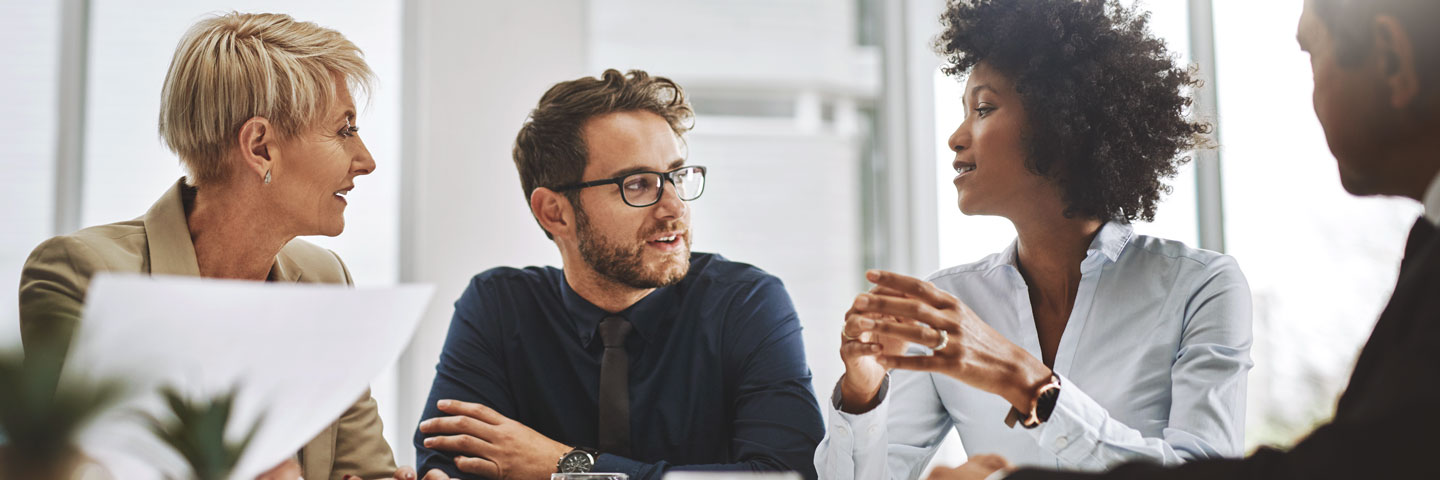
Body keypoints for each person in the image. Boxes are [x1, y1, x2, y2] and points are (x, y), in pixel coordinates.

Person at [927, 0, 1440, 479]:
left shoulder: (1199, 285)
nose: (956, 136)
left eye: (1312, 57)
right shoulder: (1427, 248)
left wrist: (1036, 393)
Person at [816, 0, 1253, 477]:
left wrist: (1027, 383)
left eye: (983, 108)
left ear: (1059, 126)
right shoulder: (951, 305)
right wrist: (862, 394)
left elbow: (1202, 472)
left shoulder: (1201, 287)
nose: (957, 137)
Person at [17, 12, 412, 480]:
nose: (365, 160)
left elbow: (365, 471)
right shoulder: (82, 275)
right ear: (260, 147)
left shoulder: (327, 280)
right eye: (345, 129)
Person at [411, 69, 824, 480]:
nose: (675, 208)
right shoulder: (499, 306)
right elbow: (449, 466)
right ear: (555, 213)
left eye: (677, 176)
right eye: (638, 184)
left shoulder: (746, 303)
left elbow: (789, 475)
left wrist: (566, 466)